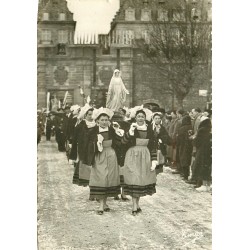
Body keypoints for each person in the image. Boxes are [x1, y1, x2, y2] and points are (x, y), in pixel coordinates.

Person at [121, 109, 158, 216]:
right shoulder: (131, 127)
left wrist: (154, 160)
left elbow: (153, 146)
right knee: (134, 178)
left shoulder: (150, 129)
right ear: (135, 118)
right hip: (132, 156)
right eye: (139, 116)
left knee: (140, 180)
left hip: (145, 156)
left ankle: (137, 204)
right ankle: (134, 205)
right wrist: (130, 133)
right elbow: (123, 142)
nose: (140, 118)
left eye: (142, 116)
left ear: (145, 118)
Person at [86, 108, 123, 215]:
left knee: (109, 178)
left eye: (106, 120)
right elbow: (88, 145)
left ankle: (105, 203)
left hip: (111, 155)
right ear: (97, 120)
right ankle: (101, 205)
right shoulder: (93, 131)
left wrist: (118, 133)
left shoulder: (112, 130)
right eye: (102, 120)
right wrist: (97, 144)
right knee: (101, 178)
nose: (104, 122)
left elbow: (119, 143)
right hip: (99, 156)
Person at [193, 116, 212, 192]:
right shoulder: (209, 130)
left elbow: (197, 142)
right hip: (208, 151)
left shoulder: (201, 130)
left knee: (202, 166)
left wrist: (194, 139)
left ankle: (204, 185)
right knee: (207, 167)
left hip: (202, 151)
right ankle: (208, 184)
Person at [176, 115, 193, 180]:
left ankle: (185, 175)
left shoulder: (181, 128)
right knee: (188, 160)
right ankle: (188, 173)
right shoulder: (191, 127)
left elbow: (178, 138)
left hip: (183, 146)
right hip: (190, 146)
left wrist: (178, 145)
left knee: (183, 159)